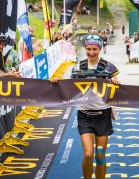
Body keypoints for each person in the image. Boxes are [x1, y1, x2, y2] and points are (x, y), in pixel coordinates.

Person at [52, 34, 120, 179]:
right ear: (85, 48)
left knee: (100, 154)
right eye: (88, 49)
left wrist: (115, 80)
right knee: (88, 154)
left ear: (100, 49)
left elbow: (117, 85)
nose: (91, 52)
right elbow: (70, 85)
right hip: (84, 114)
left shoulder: (109, 66)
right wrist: (58, 81)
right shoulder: (78, 66)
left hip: (103, 114)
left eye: (94, 49)